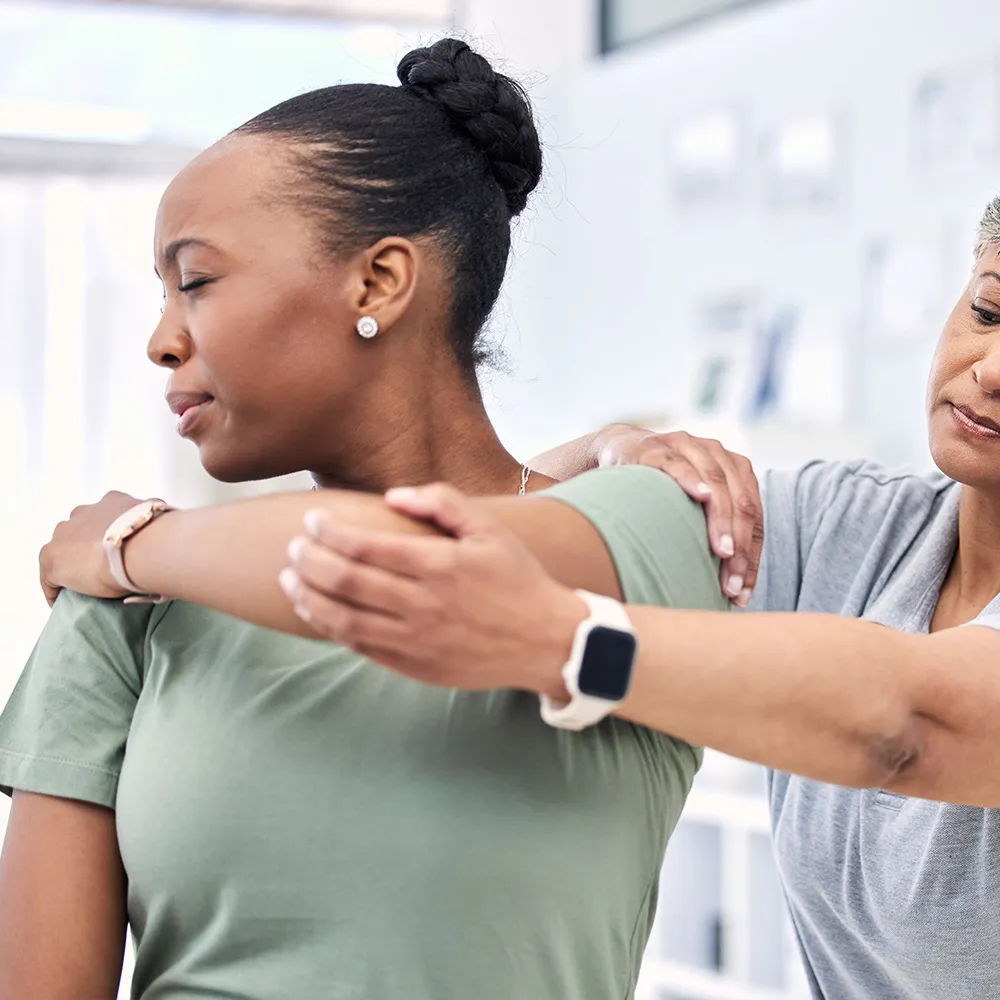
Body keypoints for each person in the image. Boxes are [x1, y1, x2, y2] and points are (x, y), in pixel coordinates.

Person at [0, 39, 731, 1000]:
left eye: (198, 280)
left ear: (379, 283)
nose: (161, 338)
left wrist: (134, 542)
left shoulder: (650, 533)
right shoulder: (124, 608)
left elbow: (424, 561)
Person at [211, 202, 1000, 999]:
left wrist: (563, 641)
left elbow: (905, 724)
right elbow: (525, 532)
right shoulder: (856, 527)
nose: (992, 367)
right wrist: (608, 453)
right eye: (989, 310)